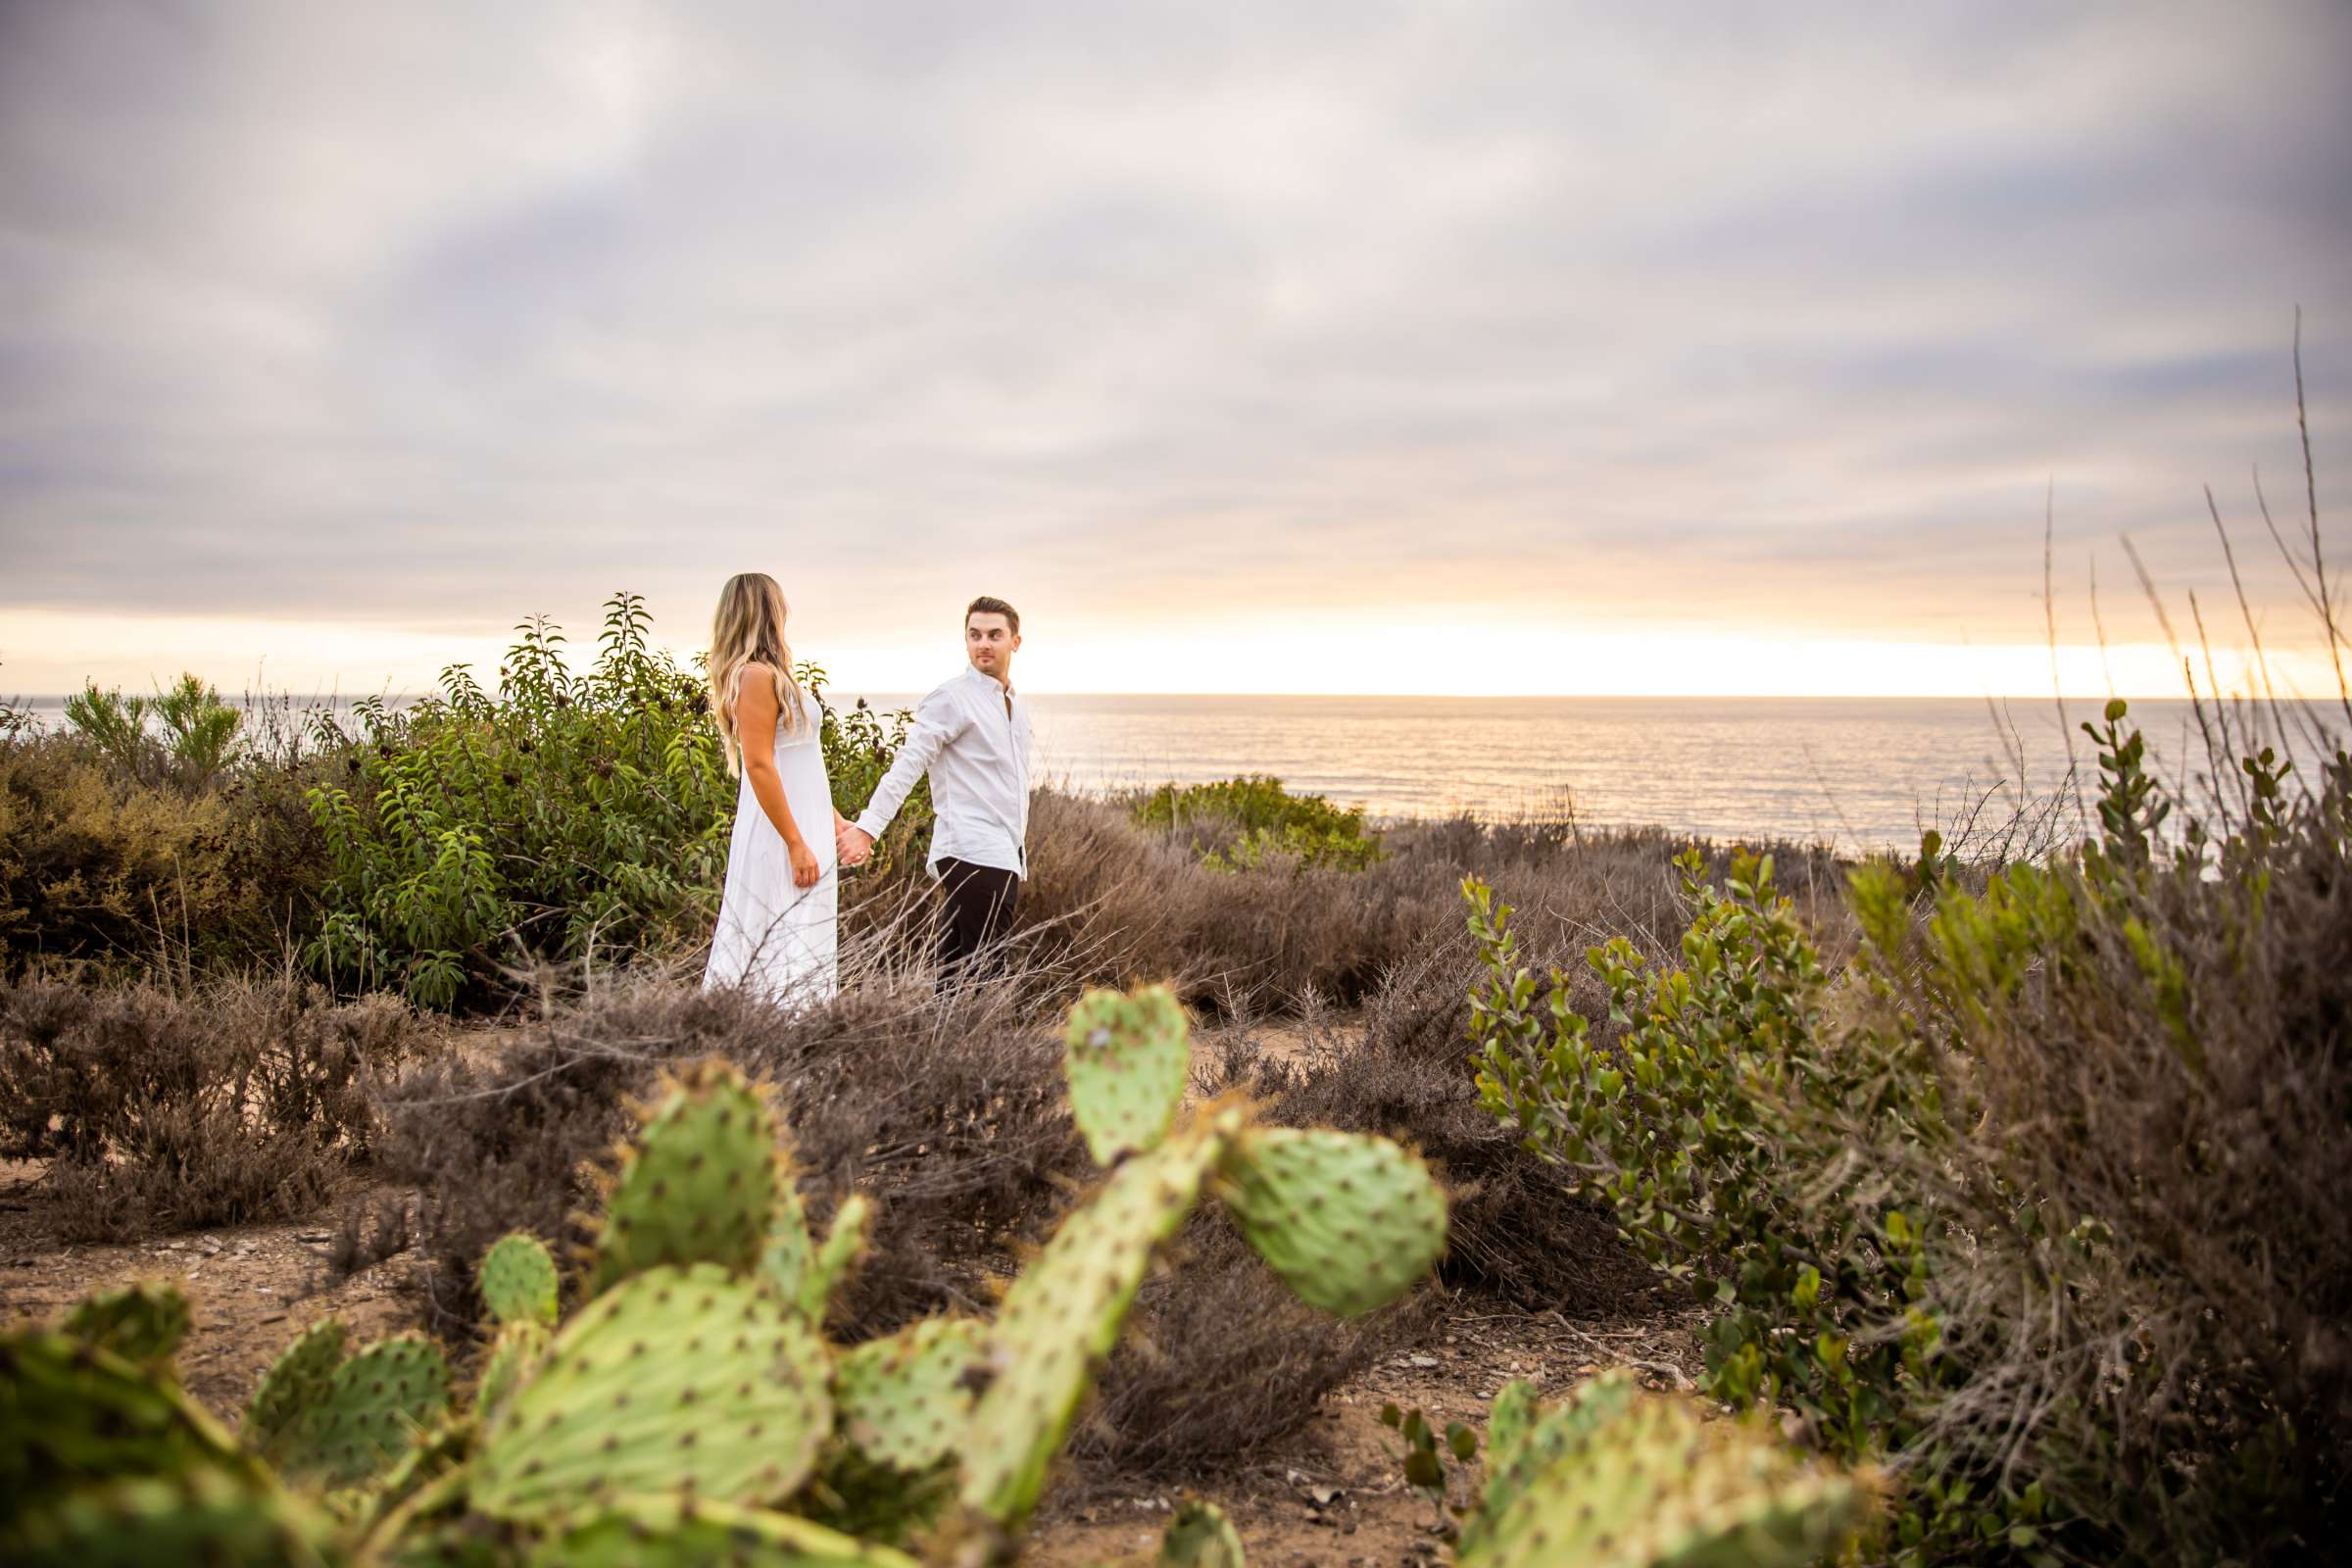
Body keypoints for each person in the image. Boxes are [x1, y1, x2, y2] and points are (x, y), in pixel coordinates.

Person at [837, 596, 1033, 981]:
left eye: (995, 635)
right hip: (971, 846)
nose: (983, 644)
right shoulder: (952, 698)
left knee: (958, 964)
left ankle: (943, 1040)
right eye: (975, 635)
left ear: (1015, 642)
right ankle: (982, 1041)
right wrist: (868, 827)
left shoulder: (1013, 702)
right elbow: (908, 763)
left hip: (1003, 850)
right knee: (987, 967)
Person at [701, 571, 855, 1006]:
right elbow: (760, 765)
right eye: (779, 603)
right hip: (781, 834)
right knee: (772, 940)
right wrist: (794, 842)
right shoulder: (753, 676)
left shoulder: (773, 674)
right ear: (766, 610)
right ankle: (757, 1051)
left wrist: (836, 822)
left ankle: (797, 1052)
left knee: (805, 941)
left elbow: (801, 762)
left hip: (807, 828)